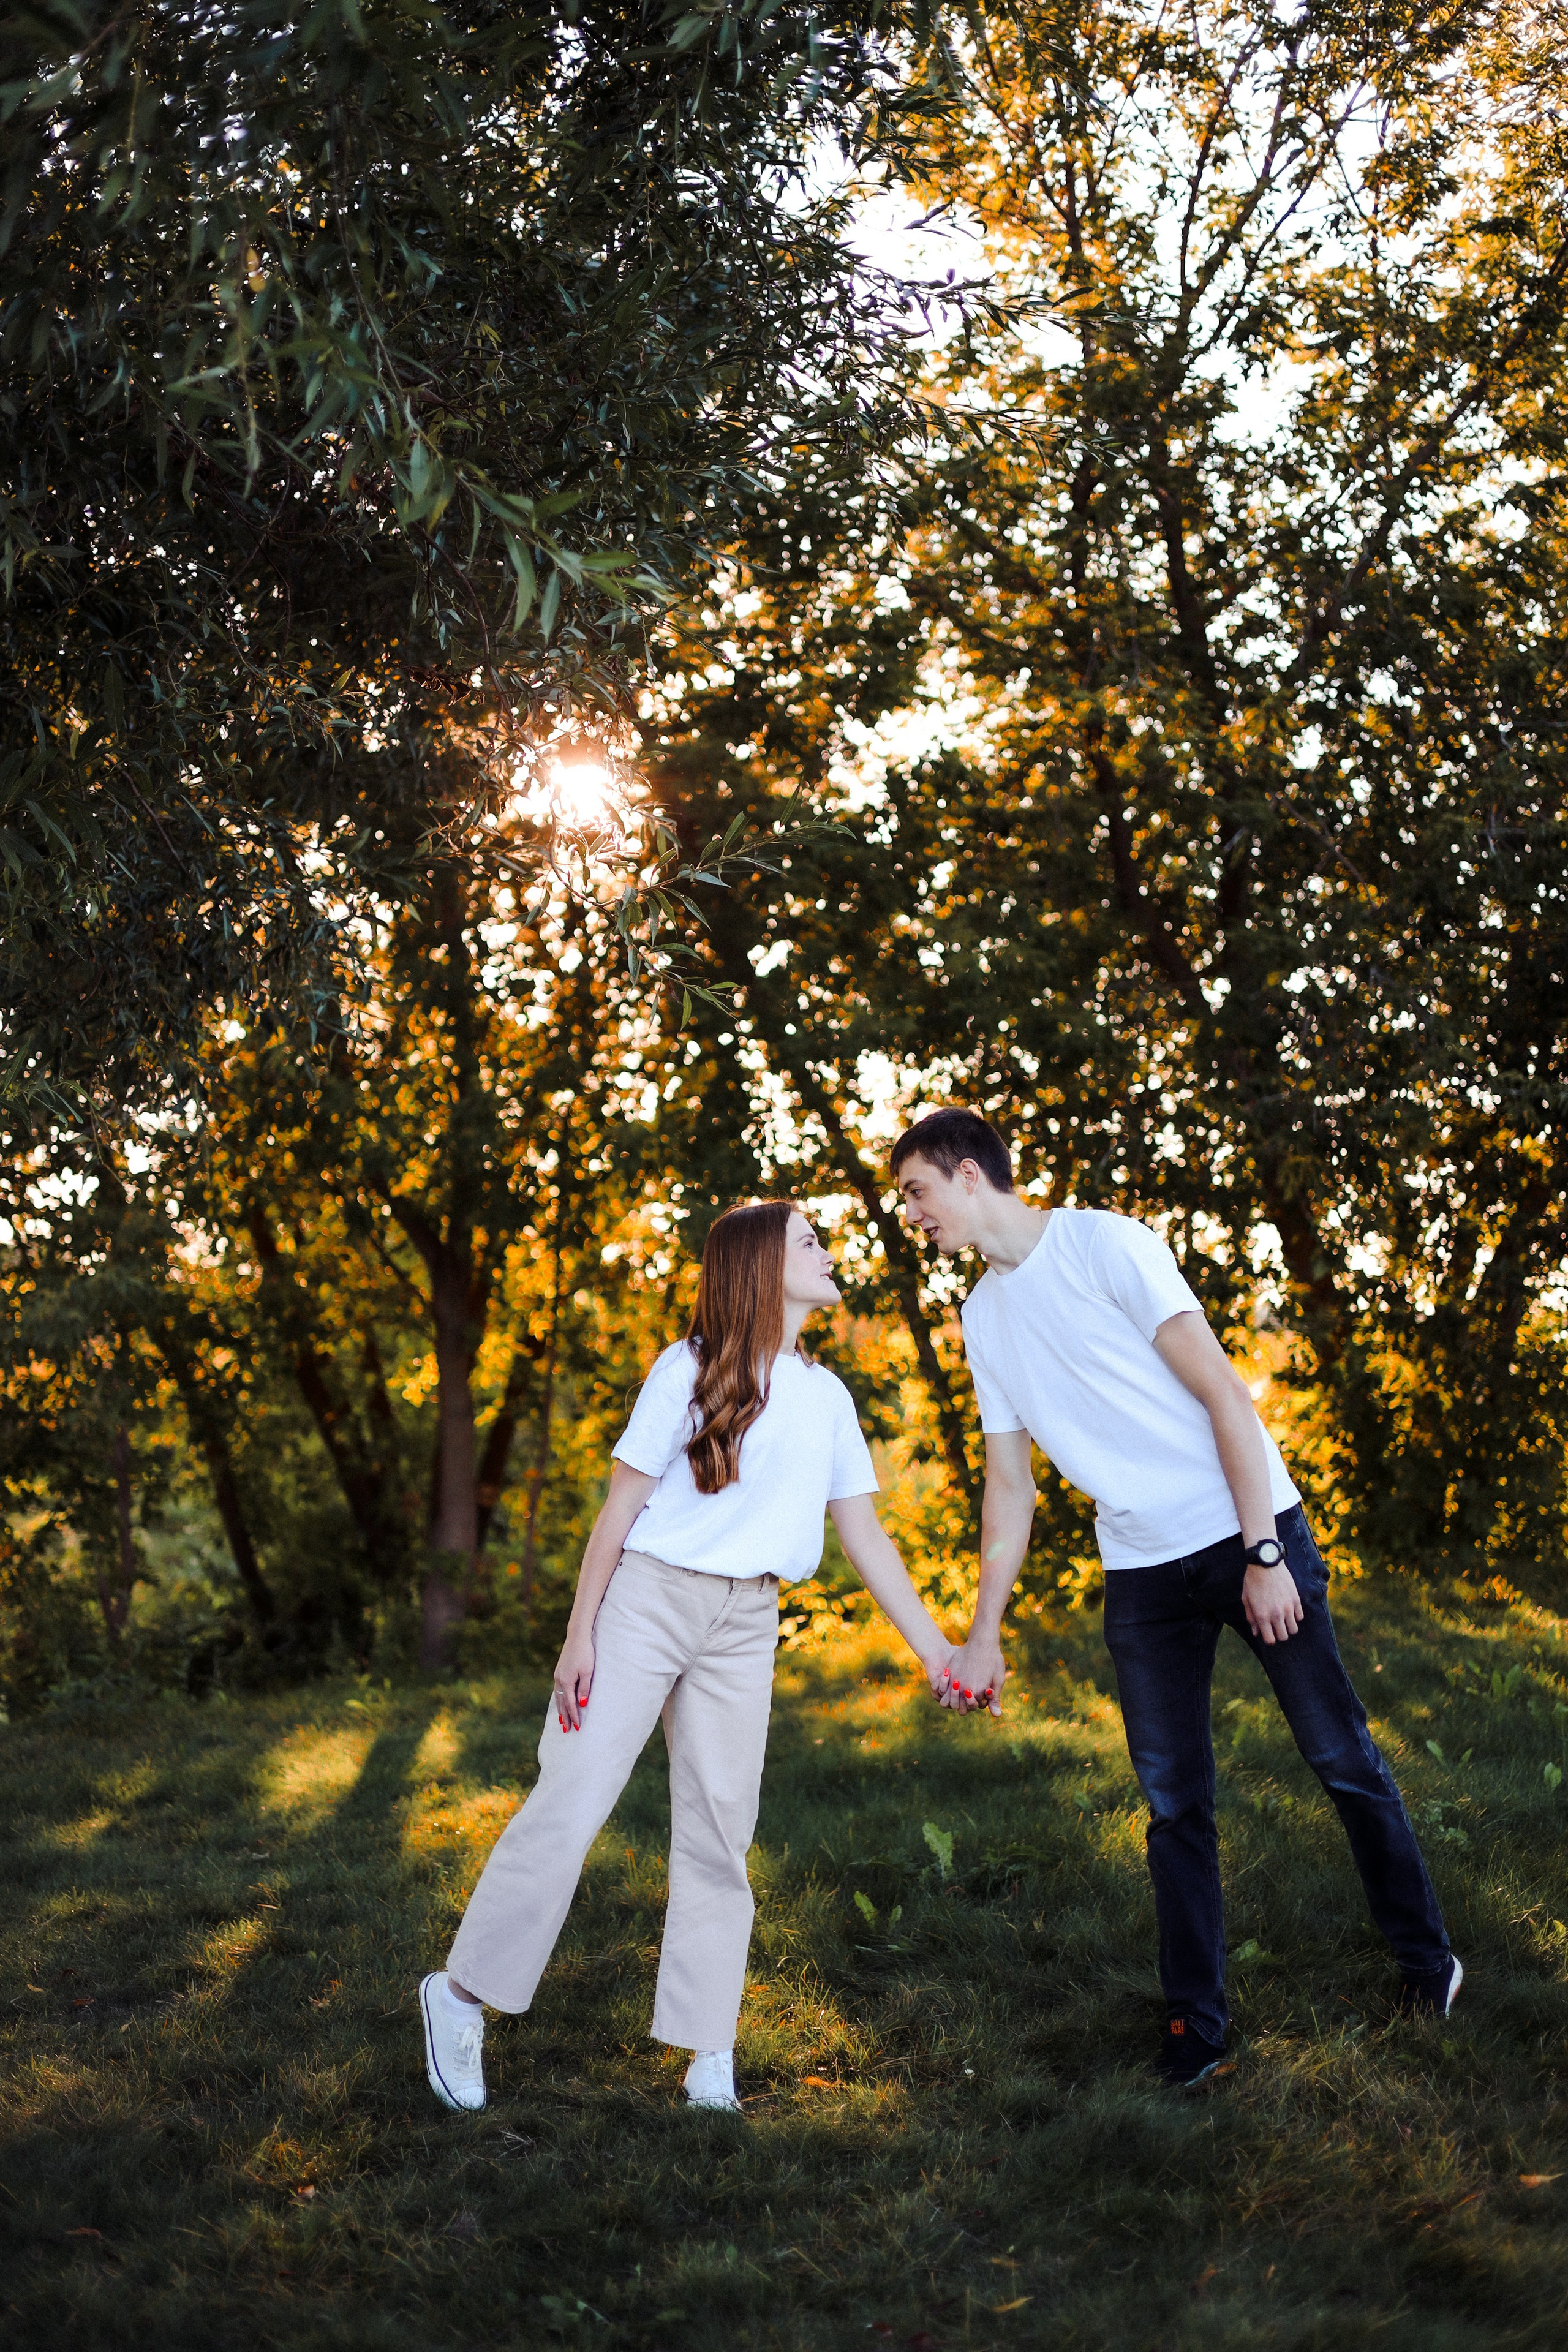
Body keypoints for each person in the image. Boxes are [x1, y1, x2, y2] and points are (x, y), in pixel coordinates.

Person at [892, 1107, 1459, 2086]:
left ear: (970, 1176)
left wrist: (1267, 1554)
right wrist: (980, 1634)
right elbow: (1011, 1489)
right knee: (1173, 1805)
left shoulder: (1107, 1244)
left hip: (1244, 1532)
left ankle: (1426, 1961)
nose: (911, 1215)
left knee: (1340, 1758)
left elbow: (1224, 1395)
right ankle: (1196, 2022)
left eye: (916, 1191)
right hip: (1143, 1572)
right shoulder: (982, 1317)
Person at [418, 1199, 955, 2114]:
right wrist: (579, 1635)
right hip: (650, 1598)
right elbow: (619, 1511)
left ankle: (710, 2048)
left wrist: (939, 1651)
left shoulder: (827, 1398)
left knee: (720, 1832)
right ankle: (460, 1995)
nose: (829, 1254)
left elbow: (865, 1538)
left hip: (748, 1622)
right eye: (809, 1243)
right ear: (757, 1265)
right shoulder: (690, 1370)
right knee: (574, 1797)